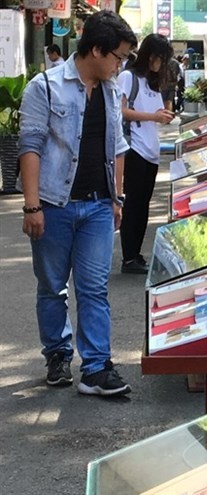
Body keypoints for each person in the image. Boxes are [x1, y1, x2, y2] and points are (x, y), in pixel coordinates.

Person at [18, 10, 137, 396]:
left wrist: (117, 197)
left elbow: (118, 146)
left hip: (99, 206)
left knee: (94, 288)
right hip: (53, 204)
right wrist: (32, 206)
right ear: (97, 50)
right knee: (52, 287)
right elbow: (30, 147)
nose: (120, 65)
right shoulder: (46, 87)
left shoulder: (112, 89)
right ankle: (57, 353)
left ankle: (97, 367)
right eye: (118, 56)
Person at [118, 34, 175, 275]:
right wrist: (153, 116)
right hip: (135, 150)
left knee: (143, 206)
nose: (162, 65)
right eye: (161, 59)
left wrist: (162, 115)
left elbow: (153, 114)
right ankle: (129, 257)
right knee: (133, 205)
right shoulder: (128, 77)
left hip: (151, 152)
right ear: (151, 56)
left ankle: (136, 254)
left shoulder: (152, 84)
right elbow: (120, 111)